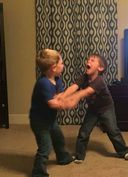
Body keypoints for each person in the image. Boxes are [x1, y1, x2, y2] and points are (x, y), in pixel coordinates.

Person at [58, 53, 128, 163]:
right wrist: (63, 96)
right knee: (84, 132)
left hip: (106, 108)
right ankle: (79, 155)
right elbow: (74, 87)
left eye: (92, 60)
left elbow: (85, 92)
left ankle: (123, 151)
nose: (88, 61)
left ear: (100, 68)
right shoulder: (84, 77)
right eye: (88, 60)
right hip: (93, 109)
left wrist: (68, 100)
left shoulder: (99, 81)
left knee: (112, 130)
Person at [29, 49, 76, 177]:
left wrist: (67, 96)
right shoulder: (43, 83)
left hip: (50, 120)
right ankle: (38, 172)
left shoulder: (57, 79)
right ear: (53, 67)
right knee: (45, 147)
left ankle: (63, 157)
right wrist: (68, 104)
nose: (63, 65)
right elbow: (52, 103)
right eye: (62, 63)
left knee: (58, 138)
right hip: (40, 122)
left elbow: (59, 96)